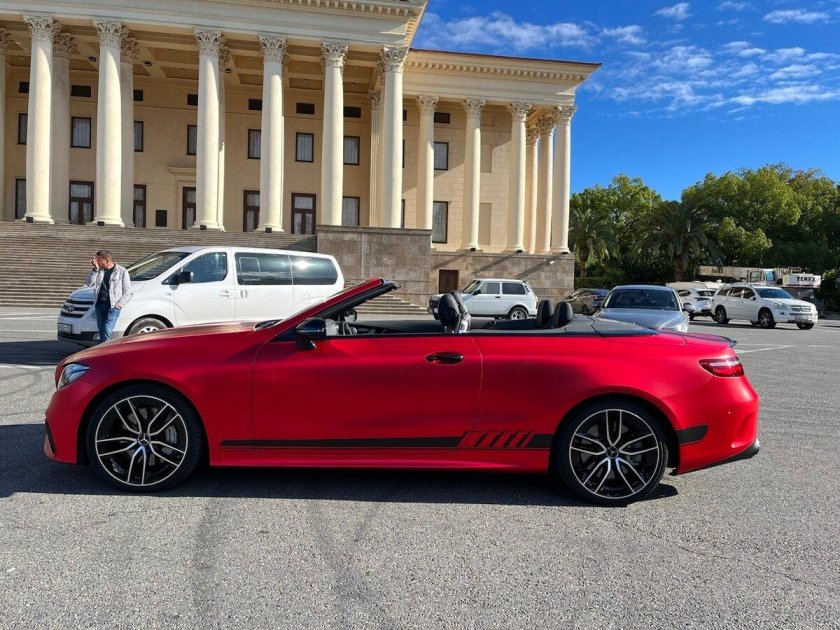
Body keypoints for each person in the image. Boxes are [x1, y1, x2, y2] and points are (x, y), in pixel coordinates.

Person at [85, 249, 131, 344]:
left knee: (107, 330)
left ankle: (104, 350)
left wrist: (119, 305)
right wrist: (95, 269)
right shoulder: (98, 270)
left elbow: (127, 291)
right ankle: (101, 350)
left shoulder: (121, 271)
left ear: (106, 260)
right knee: (102, 330)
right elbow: (89, 283)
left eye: (98, 260)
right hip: (100, 304)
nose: (96, 261)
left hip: (113, 306)